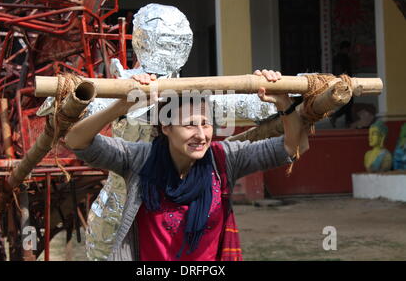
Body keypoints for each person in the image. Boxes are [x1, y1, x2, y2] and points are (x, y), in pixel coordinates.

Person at [65, 69, 310, 261]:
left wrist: (284, 103)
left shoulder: (224, 159)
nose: (202, 135)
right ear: (166, 127)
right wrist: (122, 105)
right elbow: (77, 141)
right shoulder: (139, 159)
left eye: (206, 124)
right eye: (190, 125)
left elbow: (293, 147)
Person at [331, 41, 354, 127]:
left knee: (349, 102)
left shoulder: (337, 57)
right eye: (348, 49)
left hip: (343, 81)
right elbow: (339, 70)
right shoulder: (342, 57)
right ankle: (336, 116)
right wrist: (343, 81)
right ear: (345, 48)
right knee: (349, 102)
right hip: (345, 82)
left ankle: (348, 121)